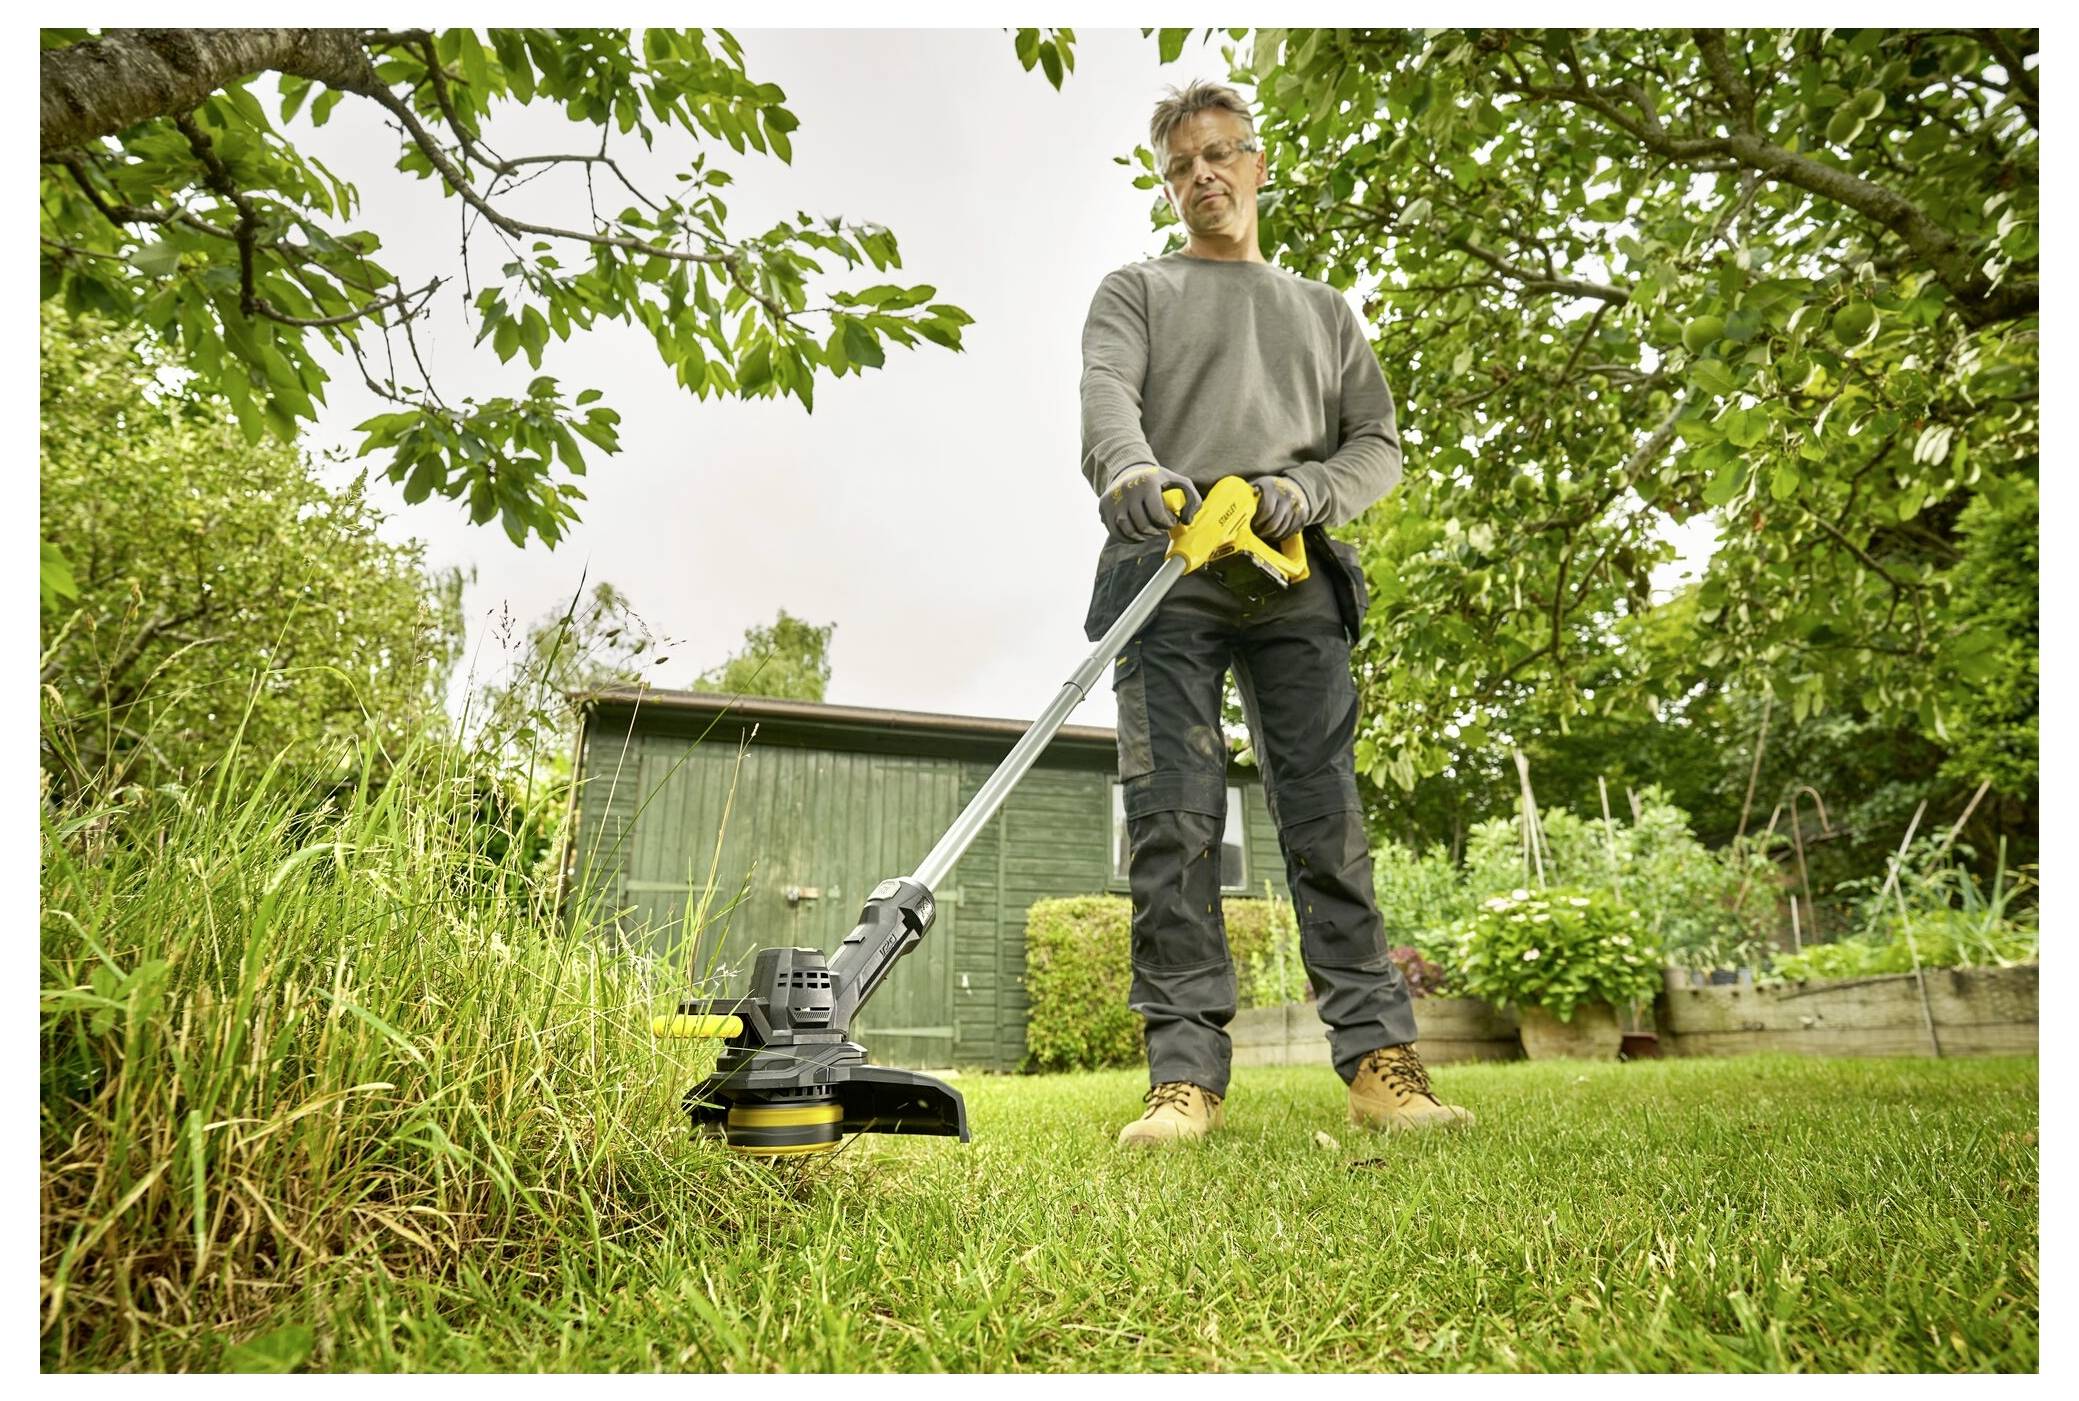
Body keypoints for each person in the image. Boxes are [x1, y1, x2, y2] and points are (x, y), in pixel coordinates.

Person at [1079, 80, 1474, 1148]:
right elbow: (1109, 397)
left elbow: (1376, 444)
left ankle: (1380, 1066)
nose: (1203, 174)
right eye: (1182, 164)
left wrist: (1313, 491)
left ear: (1257, 165)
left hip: (1295, 571)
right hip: (1169, 562)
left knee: (1325, 819)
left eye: (1221, 154)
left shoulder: (1322, 312)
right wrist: (1133, 472)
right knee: (1172, 820)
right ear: (1169, 186)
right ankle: (1184, 1078)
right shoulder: (1137, 290)